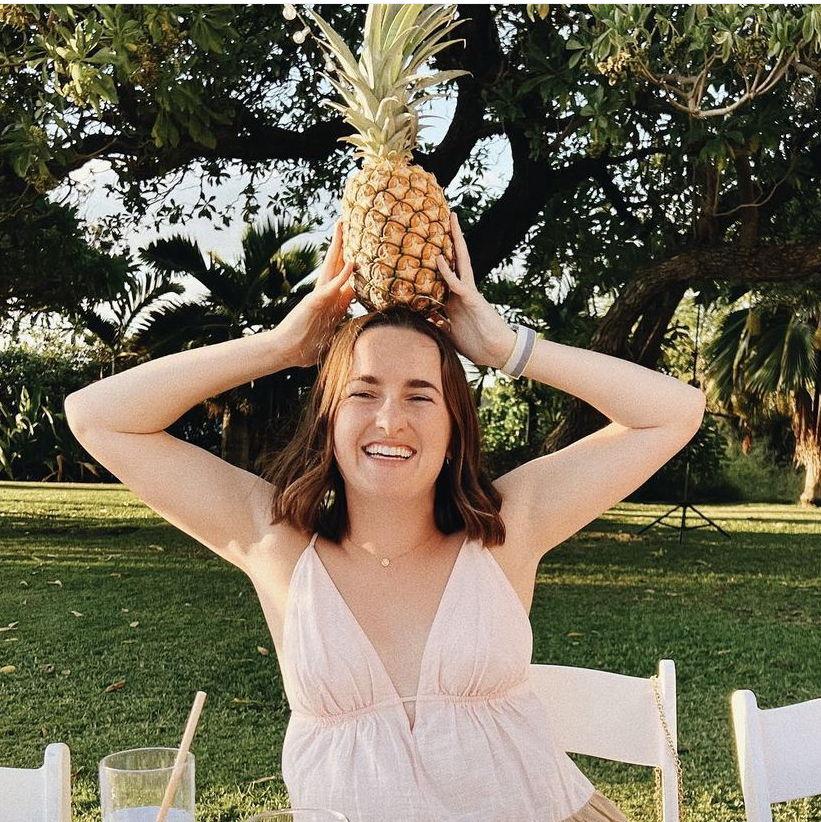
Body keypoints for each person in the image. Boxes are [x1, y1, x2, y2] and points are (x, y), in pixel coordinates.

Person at [65, 212, 706, 821]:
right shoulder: (276, 542)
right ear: (328, 420)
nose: (390, 420)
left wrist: (505, 347)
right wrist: (283, 345)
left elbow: (673, 412)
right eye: (363, 393)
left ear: (454, 429)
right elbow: (98, 417)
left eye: (420, 396)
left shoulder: (507, 527)